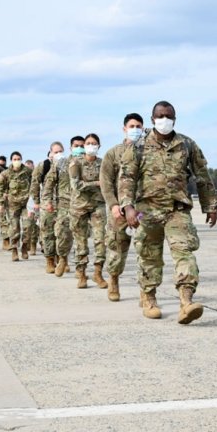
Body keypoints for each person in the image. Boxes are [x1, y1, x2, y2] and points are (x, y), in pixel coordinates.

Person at [119, 101, 217, 324]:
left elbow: (202, 175)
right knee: (149, 256)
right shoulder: (138, 146)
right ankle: (149, 297)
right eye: (161, 116)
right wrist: (128, 207)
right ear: (153, 118)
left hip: (177, 209)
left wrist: (210, 205)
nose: (165, 119)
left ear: (175, 118)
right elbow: (127, 178)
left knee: (184, 252)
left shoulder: (186, 144)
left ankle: (186, 301)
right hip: (147, 210)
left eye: (169, 116)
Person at [99, 113, 144, 301]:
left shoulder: (147, 151)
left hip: (142, 208)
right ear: (124, 128)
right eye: (132, 126)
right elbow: (106, 182)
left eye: (139, 126)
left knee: (146, 251)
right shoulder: (113, 153)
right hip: (119, 210)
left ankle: (146, 290)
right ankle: (114, 280)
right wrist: (113, 205)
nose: (135, 129)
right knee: (117, 249)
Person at [68, 133, 107, 289]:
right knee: (80, 242)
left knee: (100, 239)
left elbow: (108, 183)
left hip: (98, 205)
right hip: (79, 206)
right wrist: (97, 183)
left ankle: (98, 273)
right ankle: (82, 274)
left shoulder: (103, 163)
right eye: (88, 143)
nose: (91, 145)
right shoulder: (75, 163)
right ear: (84, 146)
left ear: (99, 146)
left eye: (94, 143)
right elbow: (76, 185)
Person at [42, 137, 82, 278]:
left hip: (84, 206)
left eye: (82, 146)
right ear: (71, 148)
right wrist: (47, 201)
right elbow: (49, 183)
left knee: (81, 239)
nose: (80, 148)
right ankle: (62, 259)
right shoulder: (62, 163)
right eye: (76, 146)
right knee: (63, 236)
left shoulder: (91, 163)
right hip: (64, 205)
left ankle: (80, 269)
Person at [31, 142, 64, 273]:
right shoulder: (43, 165)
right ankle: (50, 260)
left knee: (62, 233)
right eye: (56, 152)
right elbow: (34, 183)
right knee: (48, 233)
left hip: (62, 203)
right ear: (50, 152)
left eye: (61, 151)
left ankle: (61, 259)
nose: (58, 154)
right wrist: (37, 201)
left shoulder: (66, 165)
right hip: (47, 204)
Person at [0, 151, 32, 262]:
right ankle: (14, 249)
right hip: (12, 204)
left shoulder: (28, 172)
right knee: (14, 228)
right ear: (11, 161)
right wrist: (0, 204)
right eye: (15, 159)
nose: (17, 161)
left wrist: (35, 201)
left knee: (28, 226)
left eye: (19, 159)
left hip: (26, 204)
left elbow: (35, 184)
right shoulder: (6, 173)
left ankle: (25, 246)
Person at [23, 159, 40, 255]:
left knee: (36, 226)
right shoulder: (23, 177)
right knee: (28, 226)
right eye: (26, 166)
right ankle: (27, 243)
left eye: (30, 166)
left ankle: (33, 244)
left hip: (36, 202)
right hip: (25, 204)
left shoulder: (37, 176)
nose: (28, 168)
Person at [0, 155, 11, 250]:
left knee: (4, 220)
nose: (0, 166)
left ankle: (6, 241)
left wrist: (6, 193)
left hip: (5, 200)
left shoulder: (8, 172)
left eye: (2, 164)